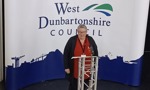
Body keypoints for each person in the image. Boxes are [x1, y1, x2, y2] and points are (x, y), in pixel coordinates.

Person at [63, 24, 98, 90]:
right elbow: (66, 54)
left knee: (85, 85)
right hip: (74, 68)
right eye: (79, 32)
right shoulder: (72, 40)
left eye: (83, 32)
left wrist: (94, 66)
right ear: (77, 31)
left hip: (87, 68)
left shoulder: (90, 40)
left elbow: (95, 52)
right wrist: (66, 67)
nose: (81, 34)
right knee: (73, 86)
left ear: (86, 32)